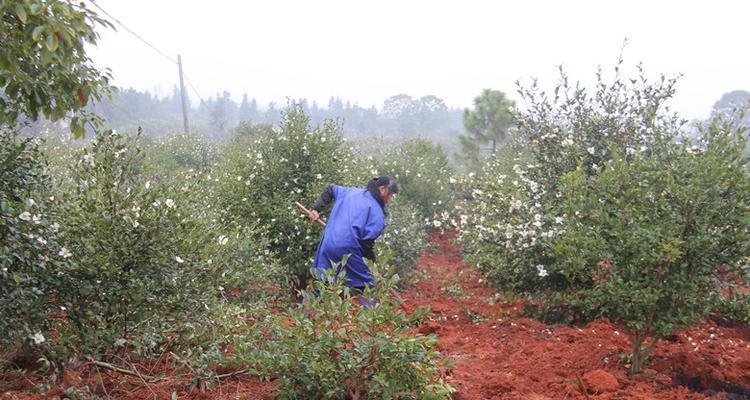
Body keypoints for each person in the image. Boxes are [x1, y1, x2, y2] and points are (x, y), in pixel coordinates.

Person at [307, 176, 398, 294]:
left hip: (328, 245)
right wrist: (371, 266)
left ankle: (307, 310)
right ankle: (371, 311)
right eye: (390, 195)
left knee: (323, 280)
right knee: (368, 283)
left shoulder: (349, 192)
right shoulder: (377, 213)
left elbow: (329, 189)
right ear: (382, 189)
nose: (389, 199)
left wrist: (316, 210)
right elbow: (366, 245)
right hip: (349, 251)